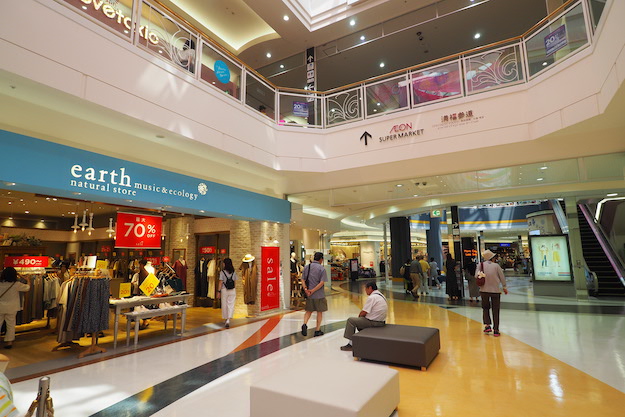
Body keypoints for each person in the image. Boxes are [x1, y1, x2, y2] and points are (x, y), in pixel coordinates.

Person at [340, 281, 387, 351]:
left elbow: (364, 312)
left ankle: (351, 344)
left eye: (366, 289)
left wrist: (360, 317)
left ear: (370, 288)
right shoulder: (381, 296)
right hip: (381, 322)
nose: (365, 291)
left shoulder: (372, 297)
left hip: (374, 322)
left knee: (351, 321)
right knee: (360, 321)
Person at [475, 250, 508, 336]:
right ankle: (496, 329)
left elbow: (476, 276)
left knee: (485, 308)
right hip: (495, 291)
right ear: (492, 258)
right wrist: (504, 287)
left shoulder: (480, 265)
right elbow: (502, 277)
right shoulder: (496, 266)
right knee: (495, 310)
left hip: (483, 290)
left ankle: (487, 326)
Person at [0, 267, 31, 349]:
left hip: (1, 307)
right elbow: (27, 288)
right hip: (12, 307)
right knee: (10, 325)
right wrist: (27, 280)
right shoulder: (16, 284)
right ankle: (9, 342)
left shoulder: (0, 284)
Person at [301, 252, 328, 337]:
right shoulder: (322, 269)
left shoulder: (307, 267)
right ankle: (317, 330)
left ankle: (304, 324)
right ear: (321, 259)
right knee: (319, 312)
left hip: (309, 295)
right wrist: (313, 290)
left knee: (308, 311)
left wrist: (306, 289)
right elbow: (322, 282)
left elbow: (302, 280)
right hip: (319, 295)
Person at [217, 258, 238, 329]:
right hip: (232, 290)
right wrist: (233, 288)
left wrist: (218, 291)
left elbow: (220, 282)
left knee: (224, 304)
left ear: (225, 264)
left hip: (224, 290)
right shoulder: (233, 272)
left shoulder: (222, 272)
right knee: (231, 304)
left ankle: (226, 318)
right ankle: (229, 319)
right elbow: (235, 282)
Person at [131, 259, 150, 329]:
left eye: (140, 264)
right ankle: (140, 322)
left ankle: (144, 322)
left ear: (142, 265)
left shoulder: (144, 273)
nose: (139, 266)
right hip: (141, 293)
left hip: (141, 293)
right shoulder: (143, 272)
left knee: (141, 308)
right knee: (140, 308)